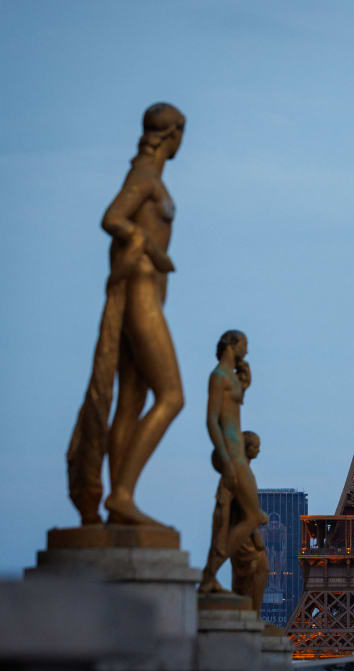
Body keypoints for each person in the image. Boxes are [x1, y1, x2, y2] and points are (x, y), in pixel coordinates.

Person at [67, 103, 187, 527]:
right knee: (173, 395)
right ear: (171, 133)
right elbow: (113, 217)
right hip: (141, 292)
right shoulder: (145, 176)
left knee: (130, 401)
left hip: (146, 290)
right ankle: (121, 494)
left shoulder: (150, 176)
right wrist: (153, 249)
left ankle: (121, 500)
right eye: (180, 134)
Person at [199, 330, 268, 594]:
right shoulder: (218, 376)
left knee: (236, 516)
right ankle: (209, 573)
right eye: (245, 345)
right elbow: (212, 420)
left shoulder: (229, 377)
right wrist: (227, 459)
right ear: (232, 345)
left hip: (236, 453)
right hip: (232, 454)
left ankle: (210, 573)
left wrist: (244, 384)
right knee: (251, 517)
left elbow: (231, 409)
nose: (247, 351)